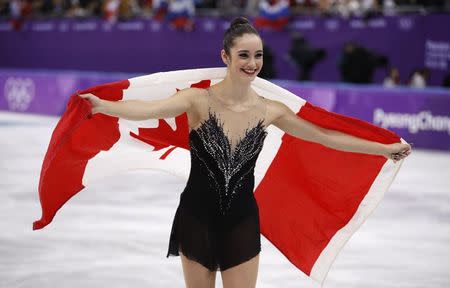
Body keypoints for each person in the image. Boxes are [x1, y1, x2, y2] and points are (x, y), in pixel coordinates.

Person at [79, 17, 411, 288]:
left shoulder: (271, 110)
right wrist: (104, 106)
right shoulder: (198, 100)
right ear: (225, 56)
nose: (252, 63)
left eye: (258, 56)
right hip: (196, 217)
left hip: (241, 221)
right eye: (244, 55)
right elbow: (149, 109)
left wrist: (382, 148)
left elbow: (324, 136)